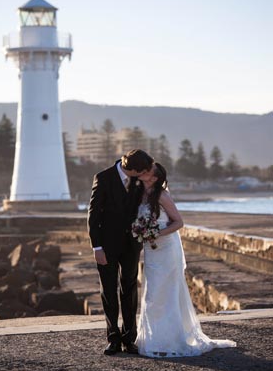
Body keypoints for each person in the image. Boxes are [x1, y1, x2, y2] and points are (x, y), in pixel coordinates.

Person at [135, 162, 236, 357]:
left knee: (167, 293)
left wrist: (157, 233)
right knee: (152, 293)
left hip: (166, 249)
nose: (143, 171)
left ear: (154, 178)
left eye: (147, 171)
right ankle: (152, 338)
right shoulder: (139, 194)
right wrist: (142, 232)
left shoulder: (162, 196)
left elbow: (179, 222)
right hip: (151, 250)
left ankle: (170, 340)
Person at [87, 149, 154, 355]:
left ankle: (129, 338)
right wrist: (96, 247)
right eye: (142, 171)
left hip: (132, 245)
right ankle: (113, 337)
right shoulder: (103, 177)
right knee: (108, 291)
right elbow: (93, 215)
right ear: (132, 169)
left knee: (130, 289)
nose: (144, 174)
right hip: (106, 246)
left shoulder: (138, 180)